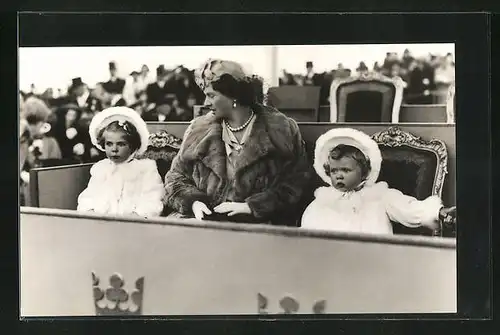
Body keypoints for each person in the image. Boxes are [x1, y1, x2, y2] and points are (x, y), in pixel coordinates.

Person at [163, 58, 312, 225]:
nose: (206, 103)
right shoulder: (198, 130)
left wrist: (252, 207)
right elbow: (175, 178)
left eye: (211, 95)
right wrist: (194, 203)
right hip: (204, 224)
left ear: (233, 94)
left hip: (258, 228)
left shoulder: (280, 129)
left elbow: (296, 181)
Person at [301, 128, 456, 235]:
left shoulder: (379, 196)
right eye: (334, 171)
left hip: (373, 257)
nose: (338, 176)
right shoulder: (323, 200)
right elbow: (308, 228)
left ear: (364, 172)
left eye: (346, 170)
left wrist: (438, 212)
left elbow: (409, 208)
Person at [77, 107, 165, 218]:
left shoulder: (145, 169)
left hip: (133, 224)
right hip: (102, 222)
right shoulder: (101, 169)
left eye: (121, 144)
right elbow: (89, 196)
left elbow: (153, 199)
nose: (114, 149)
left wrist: (137, 215)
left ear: (133, 146)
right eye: (109, 144)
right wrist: (90, 211)